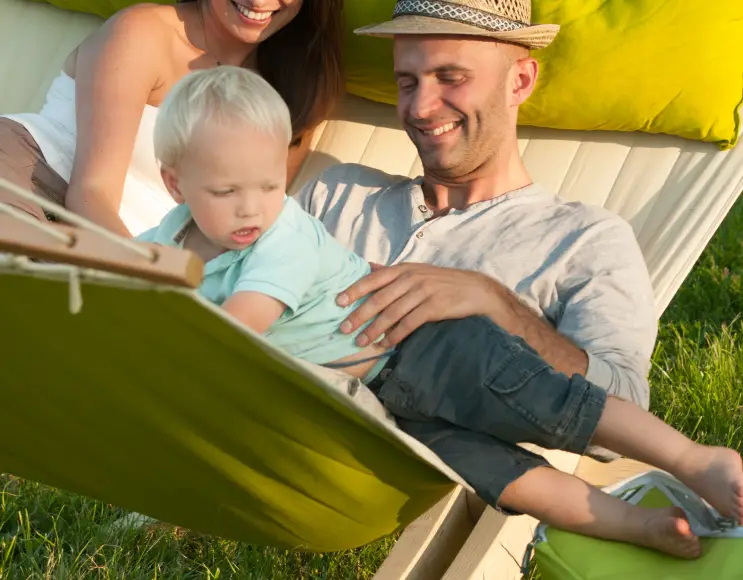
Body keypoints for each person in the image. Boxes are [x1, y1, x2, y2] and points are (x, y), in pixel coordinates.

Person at [136, 65, 743, 560]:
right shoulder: (217, 222)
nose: (253, 207)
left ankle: (695, 460)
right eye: (405, 81)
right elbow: (136, 280)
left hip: (432, 349)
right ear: (175, 185)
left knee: (554, 403)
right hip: (383, 410)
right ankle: (640, 527)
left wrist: (499, 303)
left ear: (520, 80)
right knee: (506, 479)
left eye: (270, 186)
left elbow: (237, 331)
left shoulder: (280, 237)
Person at [0, 0, 343, 238]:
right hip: (36, 183)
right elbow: (90, 193)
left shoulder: (294, 91)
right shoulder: (144, 32)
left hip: (137, 249)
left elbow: (243, 224)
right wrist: (154, 282)